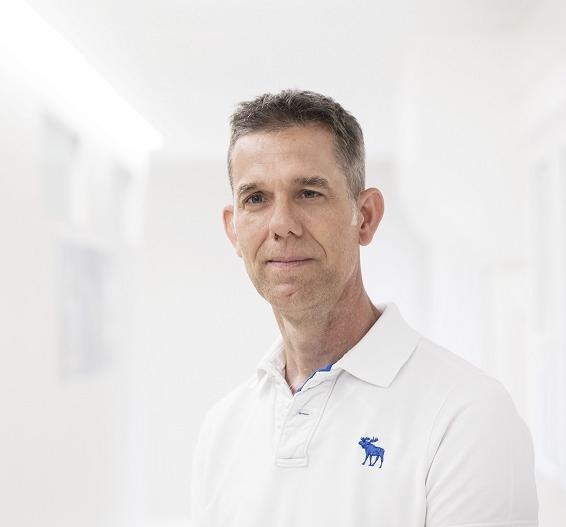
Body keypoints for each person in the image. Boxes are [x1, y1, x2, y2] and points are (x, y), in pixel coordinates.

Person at [189, 89, 538, 526]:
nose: (281, 225)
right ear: (234, 230)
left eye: (308, 193)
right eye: (256, 198)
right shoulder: (222, 430)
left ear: (366, 217)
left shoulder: (468, 416)